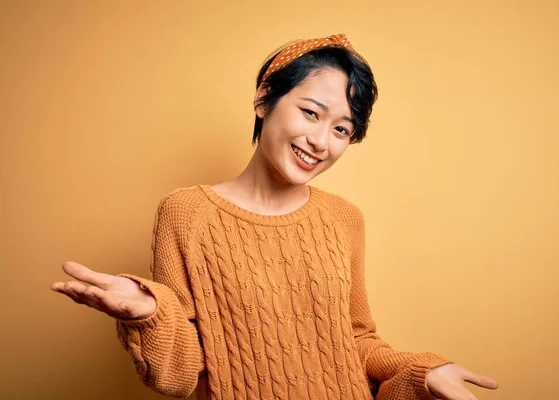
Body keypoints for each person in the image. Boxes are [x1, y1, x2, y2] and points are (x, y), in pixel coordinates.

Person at [50, 34, 499, 400]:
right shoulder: (185, 213)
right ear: (264, 100)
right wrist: (151, 313)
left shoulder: (345, 220)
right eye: (310, 113)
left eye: (341, 129)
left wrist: (425, 371)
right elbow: (181, 375)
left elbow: (357, 342)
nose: (321, 141)